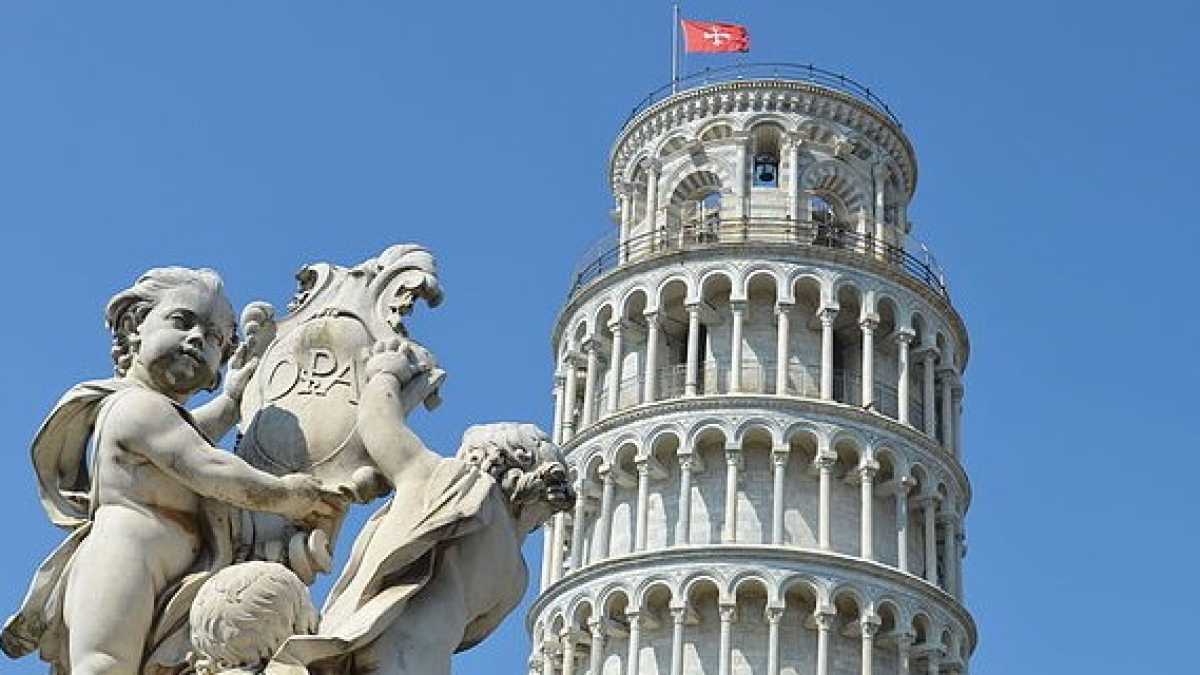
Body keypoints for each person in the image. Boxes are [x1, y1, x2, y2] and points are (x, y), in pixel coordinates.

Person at [1, 267, 343, 675]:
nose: (198, 339)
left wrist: (232, 402)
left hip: (168, 568)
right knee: (105, 666)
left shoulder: (166, 419)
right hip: (123, 559)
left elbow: (190, 436)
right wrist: (286, 495)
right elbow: (207, 465)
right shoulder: (135, 407)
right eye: (183, 321)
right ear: (134, 327)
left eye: (215, 338)